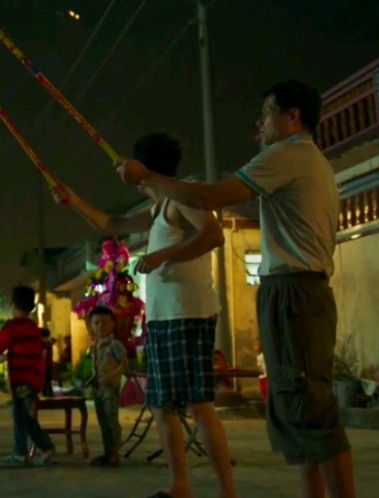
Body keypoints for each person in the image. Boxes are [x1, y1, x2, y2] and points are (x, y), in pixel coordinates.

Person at [117, 79, 357, 497]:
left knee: (310, 407)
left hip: (294, 290)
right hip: (295, 289)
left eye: (267, 113)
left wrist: (152, 177)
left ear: (292, 116)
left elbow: (213, 195)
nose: (260, 124)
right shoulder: (305, 159)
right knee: (295, 406)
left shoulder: (287, 154)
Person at [60, 132, 237, 495]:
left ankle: (225, 492)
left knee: (198, 404)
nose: (125, 171)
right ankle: (180, 486)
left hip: (186, 314)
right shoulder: (160, 207)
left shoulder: (181, 196)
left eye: (131, 165)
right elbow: (112, 226)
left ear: (144, 167)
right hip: (165, 318)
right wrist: (73, 199)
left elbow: (213, 235)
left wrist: (161, 256)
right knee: (161, 404)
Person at [0, 285, 57, 467]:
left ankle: (32, 450)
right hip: (34, 378)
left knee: (23, 417)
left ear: (14, 305)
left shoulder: (12, 326)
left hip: (20, 378)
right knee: (26, 416)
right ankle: (30, 450)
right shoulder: (33, 328)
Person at [86, 306, 127, 467]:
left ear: (113, 324)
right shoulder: (95, 346)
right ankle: (107, 452)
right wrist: (92, 379)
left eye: (104, 323)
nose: (100, 327)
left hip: (110, 389)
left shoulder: (115, 345)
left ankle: (115, 454)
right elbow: (95, 367)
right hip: (98, 389)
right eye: (96, 323)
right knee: (103, 421)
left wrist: (109, 377)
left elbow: (123, 366)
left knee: (111, 420)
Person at [41, 328, 56, 397]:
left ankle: (46, 395)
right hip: (49, 365)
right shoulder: (49, 343)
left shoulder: (44, 344)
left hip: (45, 365)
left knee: (44, 381)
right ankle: (50, 395)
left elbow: (44, 354)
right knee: (48, 381)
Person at [255, 338, 269, 404]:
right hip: (262, 377)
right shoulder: (260, 356)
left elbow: (260, 367)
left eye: (257, 344)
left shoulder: (261, 356)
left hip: (264, 377)